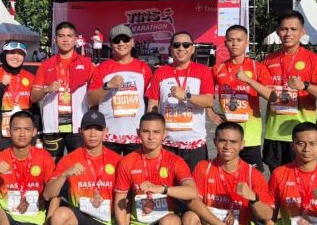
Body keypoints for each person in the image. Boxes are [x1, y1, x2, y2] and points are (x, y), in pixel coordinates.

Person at [183, 121, 275, 225]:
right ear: (214, 142)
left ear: (242, 144)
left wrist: (253, 198)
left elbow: (267, 215)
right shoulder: (204, 167)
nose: (227, 146)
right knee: (190, 218)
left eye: (233, 142)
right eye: (222, 141)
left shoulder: (253, 174)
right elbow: (193, 201)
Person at [113, 112, 198, 225]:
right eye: (146, 131)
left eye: (156, 132)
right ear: (138, 132)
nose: (151, 137)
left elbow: (192, 191)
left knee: (171, 223)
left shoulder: (175, 161)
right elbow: (119, 199)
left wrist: (163, 189)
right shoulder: (127, 162)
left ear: (164, 134)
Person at [44, 110, 124, 225]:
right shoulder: (69, 159)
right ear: (80, 131)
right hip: (81, 221)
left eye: (98, 129)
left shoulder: (118, 161)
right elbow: (48, 194)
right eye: (88, 128)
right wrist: (64, 174)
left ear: (106, 132)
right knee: (59, 217)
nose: (93, 134)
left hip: (108, 224)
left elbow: (128, 199)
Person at [262, 10, 317, 172]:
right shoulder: (268, 60)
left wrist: (306, 86)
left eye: (294, 29)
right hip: (274, 134)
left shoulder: (314, 60)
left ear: (303, 32)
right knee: (277, 181)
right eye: (284, 29)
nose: (288, 33)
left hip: (303, 136)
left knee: (303, 181)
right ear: (278, 31)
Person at [147, 32, 215, 171]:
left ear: (192, 49)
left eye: (186, 45)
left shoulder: (203, 71)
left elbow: (209, 101)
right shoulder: (160, 73)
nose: (181, 48)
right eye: (176, 45)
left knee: (195, 183)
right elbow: (152, 105)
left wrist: (185, 95)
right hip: (167, 143)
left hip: (194, 143)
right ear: (170, 49)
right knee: (165, 182)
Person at [208, 25, 273, 171]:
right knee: (225, 173)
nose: (234, 44)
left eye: (239, 40)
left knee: (253, 176)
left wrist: (249, 80)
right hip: (227, 135)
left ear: (247, 43)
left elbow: (271, 96)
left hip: (250, 135)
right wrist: (210, 112)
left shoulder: (257, 67)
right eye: (230, 40)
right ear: (225, 43)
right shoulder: (218, 68)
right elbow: (206, 93)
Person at [31, 22, 95, 160]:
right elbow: (34, 97)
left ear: (75, 39)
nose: (65, 40)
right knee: (52, 167)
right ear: (55, 39)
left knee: (79, 166)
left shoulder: (87, 64)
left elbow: (95, 96)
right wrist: (47, 89)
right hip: (52, 127)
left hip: (78, 127)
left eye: (69, 36)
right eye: (61, 36)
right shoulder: (45, 65)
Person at [88, 24, 152, 156]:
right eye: (117, 40)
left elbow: (151, 101)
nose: (121, 43)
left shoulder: (143, 68)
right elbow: (91, 100)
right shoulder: (102, 68)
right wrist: (107, 85)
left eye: (125, 39)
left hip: (136, 135)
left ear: (132, 42)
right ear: (111, 44)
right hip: (109, 136)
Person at [0, 41, 36, 157]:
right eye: (12, 52)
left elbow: (35, 108)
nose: (16, 56)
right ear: (4, 55)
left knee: (25, 163)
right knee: (0, 164)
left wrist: (38, 132)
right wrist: (2, 86)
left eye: (20, 53)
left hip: (25, 127)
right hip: (2, 129)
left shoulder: (31, 77)